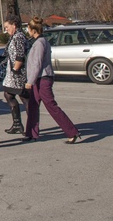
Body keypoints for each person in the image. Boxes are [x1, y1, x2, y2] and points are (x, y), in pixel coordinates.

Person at [23, 16, 81, 144]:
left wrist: (30, 81)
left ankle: (72, 131)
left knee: (51, 106)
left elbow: (37, 63)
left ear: (33, 30)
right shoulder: (39, 41)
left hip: (43, 78)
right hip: (38, 78)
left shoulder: (39, 43)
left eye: (28, 28)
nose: (27, 31)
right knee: (32, 106)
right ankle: (31, 133)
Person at [1, 14, 31, 134]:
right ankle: (17, 123)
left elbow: (20, 55)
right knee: (8, 94)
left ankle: (31, 125)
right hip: (12, 74)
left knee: (24, 98)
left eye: (7, 27)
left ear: (14, 25)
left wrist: (16, 69)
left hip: (18, 74)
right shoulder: (15, 36)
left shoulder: (19, 37)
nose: (6, 29)